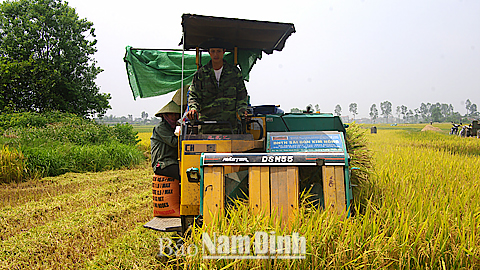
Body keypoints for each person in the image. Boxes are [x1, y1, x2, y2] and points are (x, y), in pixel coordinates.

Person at [186, 38, 248, 134]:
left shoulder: (234, 73)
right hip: (206, 126)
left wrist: (242, 111)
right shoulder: (200, 74)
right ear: (209, 52)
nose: (216, 54)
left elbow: (242, 96)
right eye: (213, 51)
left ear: (223, 52)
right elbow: (194, 95)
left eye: (218, 51)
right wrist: (193, 109)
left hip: (230, 126)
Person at [151, 100, 181, 180]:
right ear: (165, 115)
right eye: (171, 114)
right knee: (185, 174)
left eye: (176, 114)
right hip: (163, 163)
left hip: (173, 162)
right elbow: (174, 142)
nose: (174, 116)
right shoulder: (161, 127)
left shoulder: (174, 127)